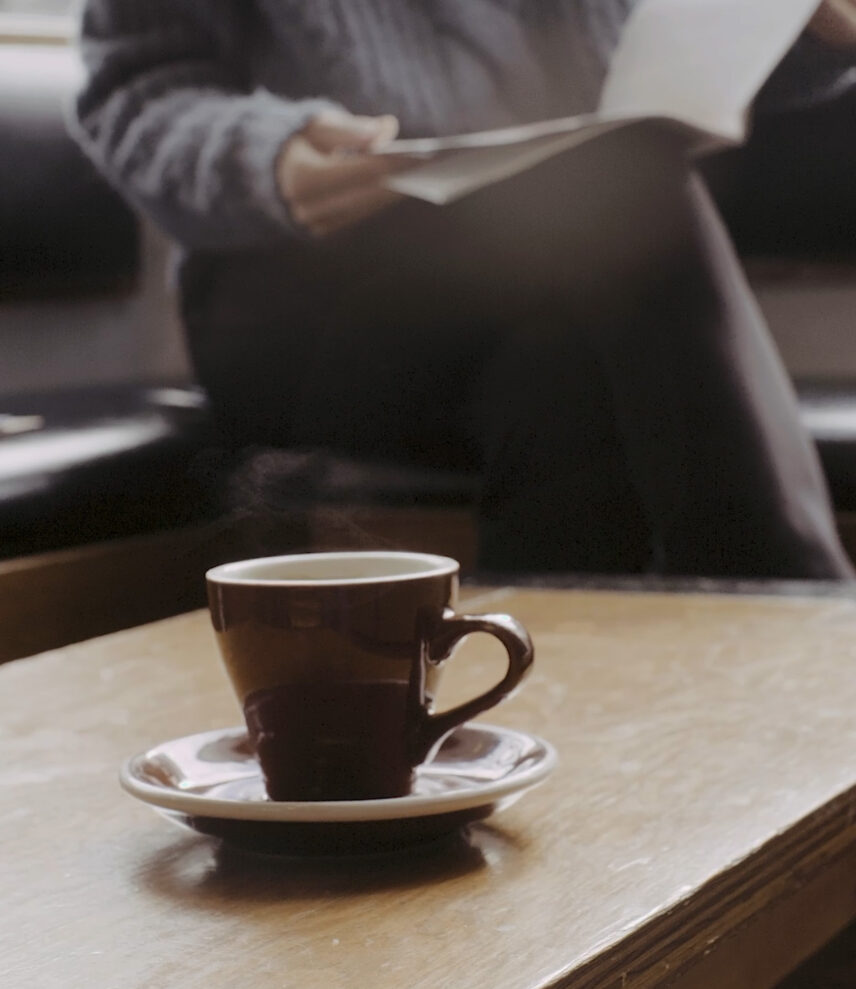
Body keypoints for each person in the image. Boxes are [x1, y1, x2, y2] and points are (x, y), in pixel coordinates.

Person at [72, 0, 856, 579]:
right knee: (627, 191)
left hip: (547, 282)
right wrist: (265, 158)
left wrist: (807, 29)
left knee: (561, 377)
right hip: (299, 293)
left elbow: (655, 64)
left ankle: (549, 717)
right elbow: (131, 97)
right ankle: (796, 609)